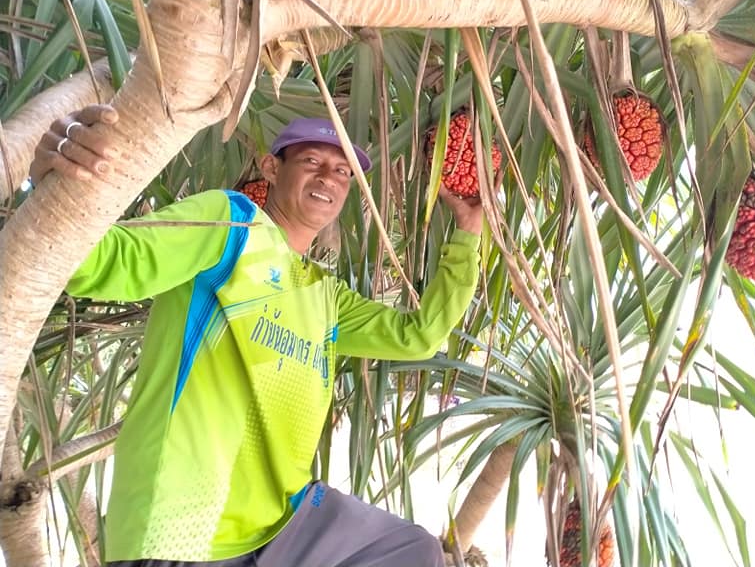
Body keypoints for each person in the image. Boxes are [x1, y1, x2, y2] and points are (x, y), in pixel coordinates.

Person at [31, 105, 484, 567]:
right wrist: (59, 185)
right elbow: (106, 263)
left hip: (282, 527)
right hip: (184, 527)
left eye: (343, 171)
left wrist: (468, 233)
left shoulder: (323, 294)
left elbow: (418, 336)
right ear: (271, 167)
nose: (329, 177)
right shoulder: (231, 223)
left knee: (410, 550)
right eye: (312, 161)